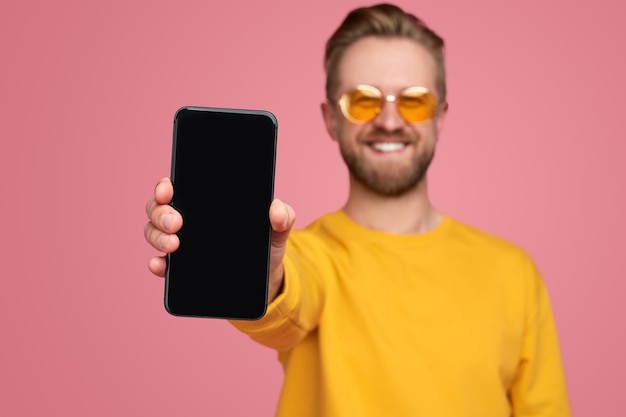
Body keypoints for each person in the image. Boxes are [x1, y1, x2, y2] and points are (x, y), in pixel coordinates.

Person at [144, 3, 571, 416]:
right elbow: (288, 301)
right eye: (364, 100)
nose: (389, 121)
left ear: (440, 117)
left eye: (414, 100)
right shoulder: (310, 258)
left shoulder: (514, 272)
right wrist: (263, 272)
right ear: (331, 118)